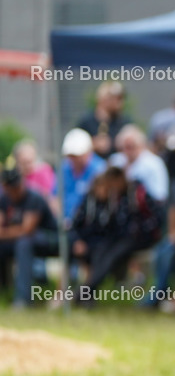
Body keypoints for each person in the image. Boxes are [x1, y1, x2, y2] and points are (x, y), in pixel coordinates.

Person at [71, 167, 162, 302]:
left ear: (120, 179)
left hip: (138, 237)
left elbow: (157, 216)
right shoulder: (114, 197)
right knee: (101, 252)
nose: (112, 186)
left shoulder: (136, 192)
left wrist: (140, 230)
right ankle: (87, 295)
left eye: (113, 182)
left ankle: (84, 292)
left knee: (112, 256)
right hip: (118, 237)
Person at [0, 168, 59, 308]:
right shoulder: (4, 199)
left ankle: (23, 298)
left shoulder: (34, 197)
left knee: (24, 243)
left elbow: (27, 230)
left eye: (17, 186)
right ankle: (4, 290)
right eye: (11, 188)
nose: (15, 190)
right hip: (18, 239)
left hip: (49, 239)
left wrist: (4, 233)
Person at [56, 128, 106, 225]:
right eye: (71, 156)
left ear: (88, 152)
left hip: (89, 223)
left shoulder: (100, 170)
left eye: (77, 155)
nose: (73, 159)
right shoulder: (64, 168)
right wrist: (61, 219)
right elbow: (55, 197)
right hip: (64, 222)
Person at [109, 125, 169, 203]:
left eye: (131, 147)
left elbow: (159, 195)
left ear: (141, 145)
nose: (127, 151)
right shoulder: (116, 161)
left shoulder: (154, 164)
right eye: (124, 147)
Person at [77, 81, 131, 160]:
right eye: (115, 99)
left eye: (120, 99)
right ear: (103, 99)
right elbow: (75, 146)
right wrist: (93, 145)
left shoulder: (123, 122)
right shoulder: (86, 122)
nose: (119, 103)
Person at [12, 139, 56, 208]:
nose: (27, 165)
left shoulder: (44, 171)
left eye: (30, 161)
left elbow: (50, 196)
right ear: (17, 161)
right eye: (24, 162)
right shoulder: (14, 176)